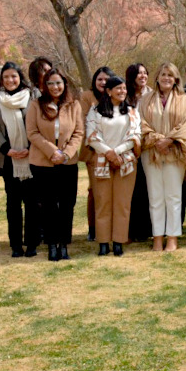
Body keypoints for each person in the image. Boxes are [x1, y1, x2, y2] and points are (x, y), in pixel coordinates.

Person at [139, 63, 186, 252]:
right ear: (157, 77)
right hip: (151, 152)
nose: (166, 78)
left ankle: (172, 237)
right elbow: (140, 123)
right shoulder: (145, 99)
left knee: (173, 197)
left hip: (175, 152)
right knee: (155, 197)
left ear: (175, 80)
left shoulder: (184, 101)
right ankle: (157, 237)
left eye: (170, 75)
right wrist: (157, 140)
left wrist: (169, 140)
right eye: (163, 74)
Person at [27, 69, 85, 262]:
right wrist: (53, 151)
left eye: (58, 82)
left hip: (68, 163)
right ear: (44, 85)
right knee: (49, 205)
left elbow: (78, 132)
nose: (55, 87)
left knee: (68, 204)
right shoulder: (36, 105)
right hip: (43, 163)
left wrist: (66, 154)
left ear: (64, 84)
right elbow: (32, 132)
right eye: (50, 83)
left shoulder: (73, 105)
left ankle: (63, 245)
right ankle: (52, 245)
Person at [0, 63, 39, 258]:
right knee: (13, 204)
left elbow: (40, 123)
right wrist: (8, 150)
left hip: (31, 155)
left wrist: (30, 148)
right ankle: (16, 245)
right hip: (8, 159)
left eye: (14, 76)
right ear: (1, 79)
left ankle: (32, 243)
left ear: (20, 77)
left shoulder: (33, 95)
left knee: (32, 203)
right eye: (6, 77)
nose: (10, 80)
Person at [86, 76, 141, 255]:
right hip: (102, 161)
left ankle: (118, 241)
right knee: (103, 202)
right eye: (118, 88)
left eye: (124, 88)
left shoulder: (132, 112)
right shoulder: (95, 111)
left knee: (122, 203)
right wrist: (108, 153)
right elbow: (92, 136)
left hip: (125, 162)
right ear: (108, 91)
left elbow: (135, 136)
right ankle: (103, 242)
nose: (122, 92)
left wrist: (117, 152)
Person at [79, 66, 114, 242]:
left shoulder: (116, 95)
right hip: (93, 151)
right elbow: (85, 122)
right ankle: (93, 228)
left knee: (111, 191)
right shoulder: (86, 97)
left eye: (106, 79)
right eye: (99, 79)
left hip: (114, 151)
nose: (103, 82)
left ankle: (110, 227)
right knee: (95, 190)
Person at [125, 63, 153, 243]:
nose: (142, 76)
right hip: (129, 147)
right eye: (138, 74)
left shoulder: (153, 95)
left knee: (147, 190)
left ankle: (146, 229)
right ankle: (131, 229)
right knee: (133, 191)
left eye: (144, 73)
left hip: (149, 146)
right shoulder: (125, 96)